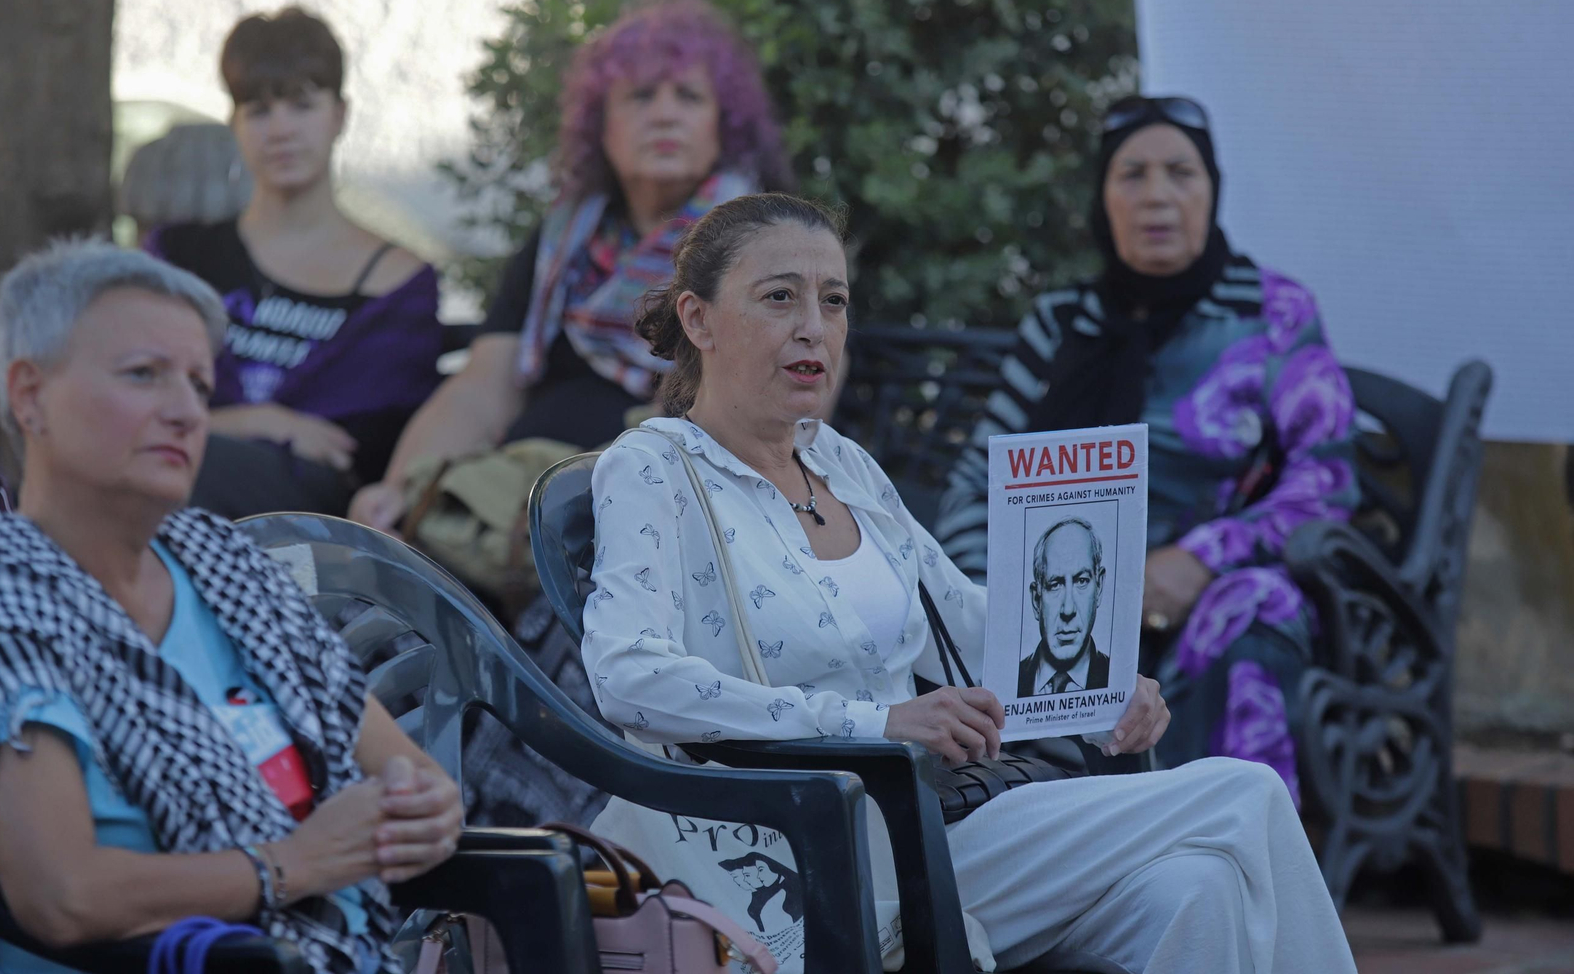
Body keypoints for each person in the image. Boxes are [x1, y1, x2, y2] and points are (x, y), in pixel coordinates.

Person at [580, 193, 1356, 973]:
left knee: (1201, 886)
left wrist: (1103, 681)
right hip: (817, 850)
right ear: (699, 319)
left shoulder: (841, 465)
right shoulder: (653, 468)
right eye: (780, 296)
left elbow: (973, 618)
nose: (814, 325)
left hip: (944, 820)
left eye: (834, 300)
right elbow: (626, 674)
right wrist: (875, 723)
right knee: (1245, 795)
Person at [0, 241, 462, 974]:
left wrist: (426, 815)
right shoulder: (0, 592)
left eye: (201, 387)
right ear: (29, 393)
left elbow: (412, 777)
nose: (183, 413)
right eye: (143, 375)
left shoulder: (222, 563)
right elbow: (61, 893)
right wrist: (294, 862)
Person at [936, 95, 1357, 803]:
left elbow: (1328, 481)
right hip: (1068, 606)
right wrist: (998, 608)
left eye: (1180, 173)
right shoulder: (1062, 323)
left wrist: (1201, 560)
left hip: (1212, 595)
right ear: (1104, 198)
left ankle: (1236, 857)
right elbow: (979, 482)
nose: (1157, 195)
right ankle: (1082, 868)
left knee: (1252, 606)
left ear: (1211, 190)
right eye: (1132, 174)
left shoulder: (1271, 314)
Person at [348, 0, 792, 533]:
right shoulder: (562, 239)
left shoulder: (763, 246)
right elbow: (485, 383)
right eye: (641, 95)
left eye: (690, 96)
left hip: (655, 523)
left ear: (723, 125)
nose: (665, 113)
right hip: (513, 504)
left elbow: (770, 421)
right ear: (601, 127)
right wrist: (399, 491)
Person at [147, 6, 444, 519]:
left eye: (302, 105)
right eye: (259, 111)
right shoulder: (178, 257)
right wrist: (259, 421)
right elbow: (126, 397)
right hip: (167, 485)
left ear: (340, 115)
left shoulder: (399, 283)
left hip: (313, 523)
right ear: (234, 124)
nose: (281, 130)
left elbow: (358, 451)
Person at [1017, 517, 1109, 697]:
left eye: (1081, 581)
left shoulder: (1121, 679)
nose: (1068, 610)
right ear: (1036, 600)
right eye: (1054, 585)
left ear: (1099, 587)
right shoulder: (1006, 681)